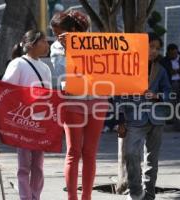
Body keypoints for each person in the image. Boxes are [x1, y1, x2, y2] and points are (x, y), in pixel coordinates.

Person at [50, 10, 108, 200]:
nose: (55, 37)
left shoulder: (97, 44)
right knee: (74, 151)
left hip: (98, 101)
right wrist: (69, 51)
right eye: (54, 34)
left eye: (58, 32)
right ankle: (72, 197)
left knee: (90, 152)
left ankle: (87, 197)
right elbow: (60, 76)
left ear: (73, 29)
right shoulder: (57, 48)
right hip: (73, 102)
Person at [117, 32, 171, 200]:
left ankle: (149, 194)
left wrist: (157, 96)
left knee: (152, 159)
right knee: (131, 154)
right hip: (133, 118)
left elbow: (169, 92)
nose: (154, 51)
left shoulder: (160, 70)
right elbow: (119, 94)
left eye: (157, 48)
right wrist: (120, 120)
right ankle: (135, 192)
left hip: (156, 118)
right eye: (151, 46)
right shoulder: (128, 67)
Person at [2, 30, 51, 200]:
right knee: (24, 165)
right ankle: (25, 197)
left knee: (38, 165)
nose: (47, 45)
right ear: (31, 45)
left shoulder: (45, 67)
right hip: (23, 121)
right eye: (43, 41)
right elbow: (6, 89)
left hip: (40, 121)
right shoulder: (18, 64)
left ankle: (35, 196)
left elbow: (48, 95)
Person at [160, 43, 180, 131]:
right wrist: (170, 72)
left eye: (175, 54)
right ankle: (176, 121)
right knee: (173, 102)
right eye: (171, 54)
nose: (173, 56)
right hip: (170, 84)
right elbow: (163, 71)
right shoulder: (164, 61)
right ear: (168, 53)